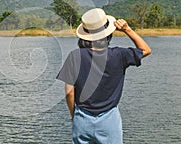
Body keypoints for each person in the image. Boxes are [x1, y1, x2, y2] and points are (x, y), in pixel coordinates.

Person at [56, 8, 151, 144]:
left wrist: (75, 116)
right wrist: (127, 29)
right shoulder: (119, 55)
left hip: (82, 118)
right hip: (109, 121)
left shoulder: (74, 56)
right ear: (108, 33)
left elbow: (69, 92)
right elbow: (146, 50)